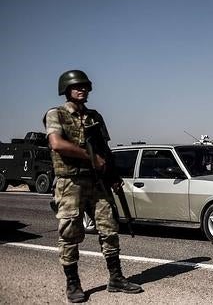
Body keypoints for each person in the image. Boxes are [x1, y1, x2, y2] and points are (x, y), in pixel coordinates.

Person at [44, 70, 142, 303]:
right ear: (66, 89)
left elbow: (105, 150)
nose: (82, 90)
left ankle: (116, 278)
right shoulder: (55, 114)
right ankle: (73, 284)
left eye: (85, 86)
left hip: (97, 181)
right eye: (77, 86)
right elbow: (57, 144)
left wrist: (113, 175)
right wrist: (90, 158)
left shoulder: (94, 116)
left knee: (109, 229)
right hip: (70, 182)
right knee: (70, 233)